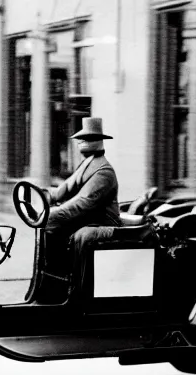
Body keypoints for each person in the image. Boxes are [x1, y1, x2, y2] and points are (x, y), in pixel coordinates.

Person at [42, 117, 122, 297]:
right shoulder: (87, 163)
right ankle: (53, 282)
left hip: (102, 223)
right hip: (89, 218)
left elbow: (82, 203)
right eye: (80, 139)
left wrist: (53, 212)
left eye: (85, 139)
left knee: (54, 223)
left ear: (97, 141)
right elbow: (64, 189)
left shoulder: (104, 171)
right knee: (52, 223)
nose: (80, 142)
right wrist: (45, 196)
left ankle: (65, 287)